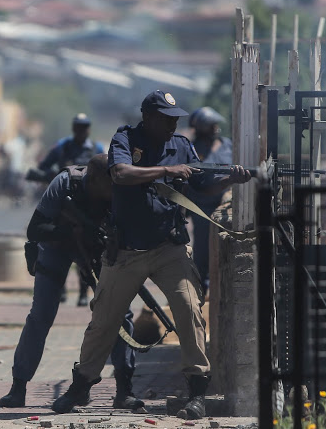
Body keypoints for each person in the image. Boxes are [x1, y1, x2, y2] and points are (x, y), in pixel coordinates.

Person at [51, 90, 251, 420]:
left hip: (169, 246)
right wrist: (164, 171)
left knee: (189, 311)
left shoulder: (182, 147)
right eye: (166, 118)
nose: (174, 123)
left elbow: (200, 188)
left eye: (176, 118)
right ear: (148, 117)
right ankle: (81, 384)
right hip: (127, 249)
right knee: (103, 321)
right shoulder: (126, 139)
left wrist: (233, 178)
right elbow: (121, 174)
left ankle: (197, 392)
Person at [0, 154, 142, 411]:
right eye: (108, 182)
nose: (114, 187)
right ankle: (18, 387)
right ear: (95, 178)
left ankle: (124, 390)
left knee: (121, 314)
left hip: (96, 251)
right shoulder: (65, 184)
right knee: (40, 315)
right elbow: (35, 229)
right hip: (56, 248)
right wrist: (71, 232)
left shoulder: (120, 190)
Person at [37, 113, 105, 306]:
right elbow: (44, 167)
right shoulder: (62, 146)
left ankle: (84, 292)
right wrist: (55, 177)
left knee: (86, 251)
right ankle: (61, 290)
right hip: (63, 205)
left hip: (86, 205)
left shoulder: (96, 148)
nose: (82, 130)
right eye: (78, 126)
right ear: (73, 128)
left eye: (85, 126)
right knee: (58, 245)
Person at [186, 107, 233, 292]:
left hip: (225, 204)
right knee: (203, 249)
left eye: (215, 125)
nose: (215, 129)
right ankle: (201, 287)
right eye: (211, 126)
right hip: (202, 206)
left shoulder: (227, 144)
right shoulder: (193, 149)